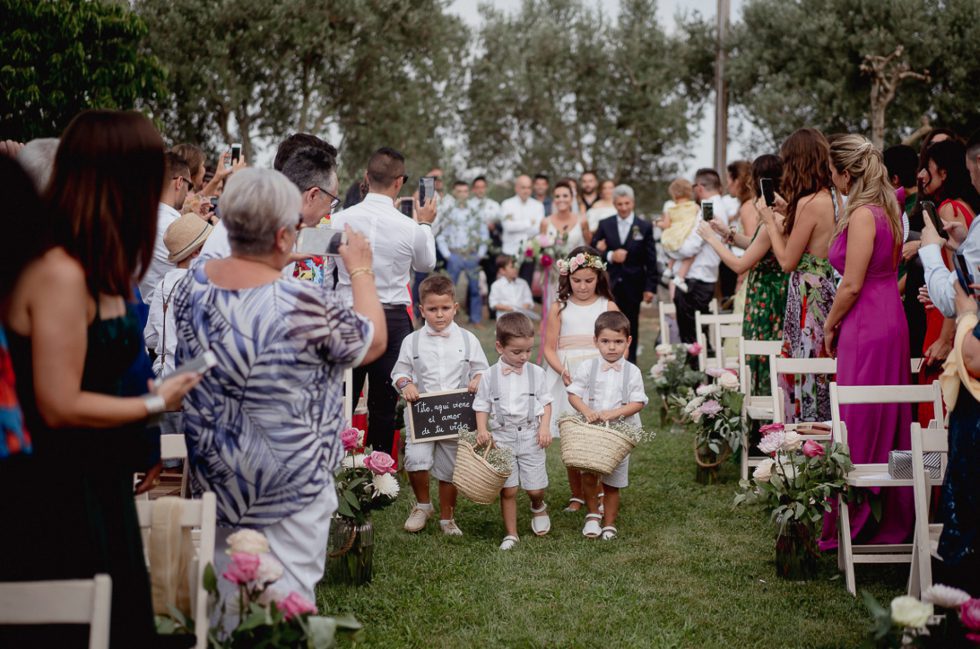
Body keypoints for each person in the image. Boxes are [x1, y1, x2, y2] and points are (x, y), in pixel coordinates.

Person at [0, 110, 201, 648]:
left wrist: (142, 436)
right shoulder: (59, 271)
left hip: (105, 478)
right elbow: (59, 401)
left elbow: (107, 374)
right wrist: (153, 404)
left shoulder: (100, 264)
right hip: (60, 492)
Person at [173, 167, 385, 607]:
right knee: (286, 605)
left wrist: (273, 258)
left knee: (226, 597)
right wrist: (362, 270)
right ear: (286, 233)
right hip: (289, 487)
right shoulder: (304, 303)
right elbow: (373, 340)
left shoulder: (191, 287)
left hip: (218, 478)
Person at [819, 134, 912, 550]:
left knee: (858, 415)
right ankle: (889, 515)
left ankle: (856, 518)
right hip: (891, 316)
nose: (831, 180)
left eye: (832, 172)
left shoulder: (862, 215)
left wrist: (830, 324)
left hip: (866, 323)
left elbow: (852, 283)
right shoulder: (890, 207)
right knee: (887, 412)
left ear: (846, 173)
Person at [331, 147, 437, 457]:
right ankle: (380, 469)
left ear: (366, 177)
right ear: (399, 182)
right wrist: (426, 224)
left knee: (341, 398)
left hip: (347, 313)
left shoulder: (338, 220)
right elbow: (426, 264)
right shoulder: (410, 227)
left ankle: (334, 462)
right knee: (383, 402)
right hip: (390, 318)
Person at [391, 275, 488, 536]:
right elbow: (399, 372)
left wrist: (478, 378)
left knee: (450, 468)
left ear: (455, 307)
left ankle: (448, 517)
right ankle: (423, 505)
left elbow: (482, 370)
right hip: (422, 413)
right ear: (422, 310)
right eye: (432, 309)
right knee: (416, 460)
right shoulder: (412, 341)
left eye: (445, 308)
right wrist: (405, 384)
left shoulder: (468, 339)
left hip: (456, 415)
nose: (440, 314)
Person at [760, 128, 838, 423]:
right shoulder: (830, 197)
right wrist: (787, 209)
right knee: (821, 365)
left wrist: (769, 221)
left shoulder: (809, 203)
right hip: (825, 289)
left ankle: (805, 431)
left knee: (806, 365)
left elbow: (786, 261)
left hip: (808, 297)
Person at [699, 154, 787, 397]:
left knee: (763, 355)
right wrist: (726, 233)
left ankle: (766, 406)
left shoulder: (774, 219)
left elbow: (740, 265)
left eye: (752, 178)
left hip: (768, 300)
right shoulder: (775, 215)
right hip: (766, 294)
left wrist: (711, 239)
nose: (748, 183)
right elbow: (757, 245)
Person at [542, 246, 618, 513]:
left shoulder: (607, 306)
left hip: (599, 374)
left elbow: (619, 342)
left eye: (589, 280)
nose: (583, 286)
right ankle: (577, 494)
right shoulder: (559, 307)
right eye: (576, 280)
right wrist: (562, 371)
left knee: (598, 436)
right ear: (567, 278)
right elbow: (549, 347)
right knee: (573, 436)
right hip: (569, 377)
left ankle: (599, 490)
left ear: (599, 278)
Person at [474, 312, 553, 550]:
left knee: (535, 488)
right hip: (502, 437)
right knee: (508, 489)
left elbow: (546, 403)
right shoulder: (489, 375)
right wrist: (482, 429)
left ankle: (538, 505)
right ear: (500, 347)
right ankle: (511, 534)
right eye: (517, 352)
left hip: (531, 435)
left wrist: (544, 427)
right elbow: (481, 405)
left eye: (528, 350)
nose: (524, 357)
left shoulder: (536, 373)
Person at [566, 311, 648, 541]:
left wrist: (613, 414)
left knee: (613, 481)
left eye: (618, 341)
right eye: (605, 341)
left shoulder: (633, 371)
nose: (611, 347)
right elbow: (573, 394)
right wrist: (586, 411)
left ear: (628, 341)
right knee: (589, 474)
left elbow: (638, 402)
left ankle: (609, 523)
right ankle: (593, 514)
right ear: (595, 341)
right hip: (592, 431)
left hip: (619, 434)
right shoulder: (587, 367)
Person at [913, 140, 978, 424]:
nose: (921, 176)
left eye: (927, 168)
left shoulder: (948, 208)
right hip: (957, 319)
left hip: (950, 321)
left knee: (938, 408)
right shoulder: (966, 209)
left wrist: (944, 339)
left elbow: (956, 286)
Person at [591, 184, 658, 362]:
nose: (623, 208)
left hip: (634, 285)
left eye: (627, 203)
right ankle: (606, 361)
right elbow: (592, 252)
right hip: (609, 285)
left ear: (633, 203)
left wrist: (650, 287)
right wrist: (610, 255)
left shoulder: (644, 226)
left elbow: (651, 260)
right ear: (614, 204)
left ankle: (630, 363)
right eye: (619, 204)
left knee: (630, 326)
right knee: (606, 324)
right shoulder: (605, 224)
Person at [144, 213, 214, 378]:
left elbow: (150, 337)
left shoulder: (164, 284)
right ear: (197, 252)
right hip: (194, 378)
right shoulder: (204, 285)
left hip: (165, 375)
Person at [139, 151, 192, 303]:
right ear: (179, 182)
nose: (188, 193)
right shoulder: (174, 225)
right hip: (171, 310)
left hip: (145, 307)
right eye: (189, 185)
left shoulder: (142, 218)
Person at [437, 181, 490, 325]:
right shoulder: (448, 212)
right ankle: (448, 319)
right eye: (459, 191)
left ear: (469, 193)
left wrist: (480, 254)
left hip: (472, 254)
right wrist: (447, 255)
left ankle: (476, 319)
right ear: (454, 193)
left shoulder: (475, 211)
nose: (462, 194)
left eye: (465, 191)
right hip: (454, 254)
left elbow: (484, 234)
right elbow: (441, 235)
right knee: (448, 290)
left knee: (475, 289)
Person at [539, 180, 590, 320]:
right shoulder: (545, 222)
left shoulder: (582, 221)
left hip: (576, 273)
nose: (561, 199)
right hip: (553, 274)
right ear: (553, 199)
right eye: (557, 196)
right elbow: (541, 249)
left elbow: (588, 246)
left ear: (572, 198)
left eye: (565, 196)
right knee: (554, 312)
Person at [500, 174, 546, 287]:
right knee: (508, 285)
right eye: (523, 187)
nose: (526, 191)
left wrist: (517, 224)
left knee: (526, 284)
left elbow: (537, 229)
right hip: (510, 251)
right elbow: (508, 227)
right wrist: (529, 222)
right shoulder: (507, 204)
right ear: (516, 188)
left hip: (529, 252)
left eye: (529, 187)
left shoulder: (538, 206)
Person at [657, 178, 700, 293]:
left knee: (675, 250)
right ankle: (680, 278)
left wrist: (657, 223)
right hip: (684, 238)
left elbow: (666, 224)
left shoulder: (671, 209)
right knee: (691, 255)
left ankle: (669, 269)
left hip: (671, 239)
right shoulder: (695, 207)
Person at [470, 175, 503, 313]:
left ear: (486, 188)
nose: (480, 190)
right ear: (473, 189)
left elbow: (501, 226)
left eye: (482, 187)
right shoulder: (468, 205)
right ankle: (471, 310)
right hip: (473, 246)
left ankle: (492, 310)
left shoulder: (494, 205)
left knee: (491, 277)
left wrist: (494, 227)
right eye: (477, 187)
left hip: (490, 246)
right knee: (472, 278)